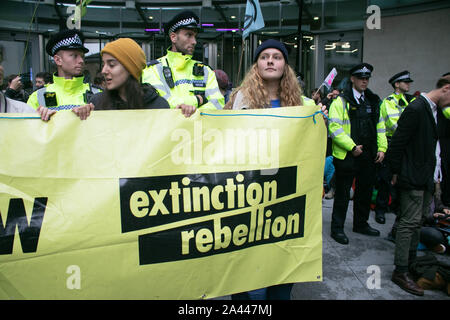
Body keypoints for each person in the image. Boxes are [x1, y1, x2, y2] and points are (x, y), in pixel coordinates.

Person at [224, 39, 327, 300]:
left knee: (283, 260)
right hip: (248, 194)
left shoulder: (303, 104)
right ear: (256, 65)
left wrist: (320, 123)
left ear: (285, 65)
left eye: (277, 57)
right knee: (246, 265)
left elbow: (312, 151)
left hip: (286, 196)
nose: (270, 61)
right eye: (264, 57)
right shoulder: (238, 99)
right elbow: (221, 140)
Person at [387, 74, 450, 296]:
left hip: (426, 177)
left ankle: (411, 264)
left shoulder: (435, 111)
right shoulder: (416, 109)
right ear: (446, 89)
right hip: (412, 176)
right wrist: (395, 173)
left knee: (417, 222)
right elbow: (398, 142)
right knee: (408, 222)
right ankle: (400, 270)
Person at [328, 63, 387, 245]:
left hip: (368, 155)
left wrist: (382, 148)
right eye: (360, 78)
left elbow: (380, 126)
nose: (364, 81)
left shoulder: (373, 100)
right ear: (352, 79)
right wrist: (352, 147)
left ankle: (360, 224)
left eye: (367, 78)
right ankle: (337, 229)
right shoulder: (341, 101)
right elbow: (334, 128)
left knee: (365, 191)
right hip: (348, 155)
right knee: (343, 194)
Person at [142, 10, 224, 111]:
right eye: (189, 35)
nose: (194, 41)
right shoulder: (152, 69)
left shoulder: (205, 70)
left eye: (195, 36)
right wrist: (198, 100)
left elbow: (218, 105)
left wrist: (193, 112)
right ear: (173, 37)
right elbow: (159, 104)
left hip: (198, 127)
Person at [27, 29, 98, 121]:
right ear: (58, 60)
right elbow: (26, 131)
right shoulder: (37, 97)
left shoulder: (98, 94)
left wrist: (94, 112)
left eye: (82, 56)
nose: (81, 61)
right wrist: (38, 118)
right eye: (74, 56)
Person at [375, 71, 415, 225]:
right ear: (396, 84)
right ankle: (381, 209)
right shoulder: (388, 102)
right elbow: (393, 124)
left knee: (402, 179)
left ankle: (397, 207)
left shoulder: (409, 101)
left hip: (406, 144)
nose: (408, 84)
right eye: (405, 82)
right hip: (392, 144)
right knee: (385, 179)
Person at [88, 38, 170, 112]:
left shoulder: (159, 106)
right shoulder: (96, 104)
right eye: (103, 65)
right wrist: (80, 117)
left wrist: (179, 116)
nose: (104, 71)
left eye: (111, 64)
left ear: (130, 69)